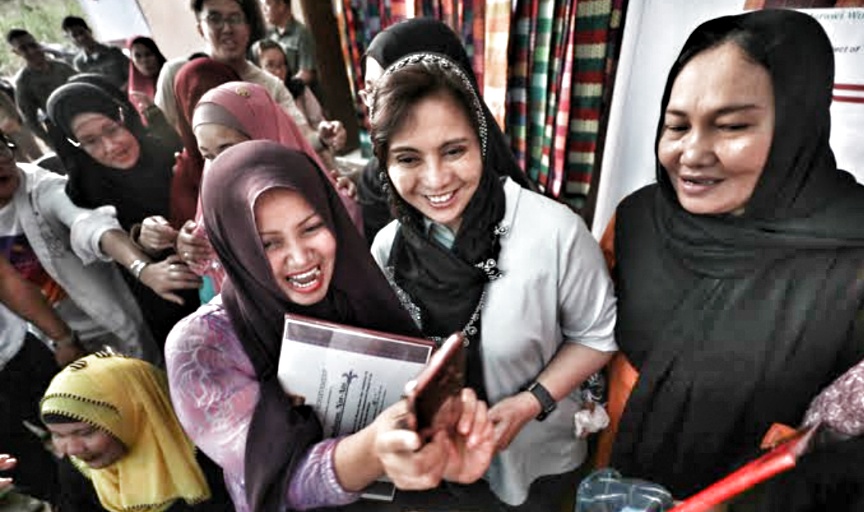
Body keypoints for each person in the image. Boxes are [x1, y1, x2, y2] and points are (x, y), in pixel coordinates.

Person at [604, 9, 864, 502]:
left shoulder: (852, 260)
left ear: (798, 125)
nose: (691, 153)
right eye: (676, 126)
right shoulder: (636, 223)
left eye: (730, 126)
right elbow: (588, 351)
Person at [166, 140, 495, 511]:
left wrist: (444, 434)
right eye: (267, 244)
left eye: (311, 228)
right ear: (234, 245)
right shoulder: (203, 347)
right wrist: (373, 449)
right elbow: (278, 477)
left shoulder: (360, 289)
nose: (300, 258)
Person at [368, 53, 617, 510]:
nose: (436, 179)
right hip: (438, 467)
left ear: (482, 142)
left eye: (454, 151)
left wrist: (529, 402)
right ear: (384, 163)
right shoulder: (389, 250)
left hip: (536, 457)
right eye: (408, 158)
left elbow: (597, 337)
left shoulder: (553, 232)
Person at [46, 79, 201, 347]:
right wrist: (143, 242)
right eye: (90, 141)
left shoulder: (170, 151)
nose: (110, 146)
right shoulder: (85, 191)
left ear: (123, 116)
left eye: (111, 129)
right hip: (171, 300)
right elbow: (104, 235)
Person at [357, 18, 533, 245]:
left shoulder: (542, 226)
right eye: (371, 91)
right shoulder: (375, 186)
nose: (436, 180)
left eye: (453, 152)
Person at [175, 80, 361, 295]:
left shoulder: (329, 201)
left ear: (265, 135)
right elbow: (212, 278)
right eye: (208, 156)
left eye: (228, 149)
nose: (220, 166)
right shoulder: (214, 212)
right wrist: (192, 249)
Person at [40, 352, 234, 511]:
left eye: (86, 433)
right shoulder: (77, 472)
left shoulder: (213, 453)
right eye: (58, 435)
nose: (72, 449)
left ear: (138, 413)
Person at [6, 29, 76, 148]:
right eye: (23, 48)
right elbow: (30, 120)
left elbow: (87, 89)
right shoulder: (24, 83)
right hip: (66, 132)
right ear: (16, 52)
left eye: (32, 45)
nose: (31, 51)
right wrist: (54, 144)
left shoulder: (62, 67)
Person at [62, 16, 130, 89]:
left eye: (82, 32)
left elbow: (132, 75)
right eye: (75, 36)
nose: (81, 38)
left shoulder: (113, 52)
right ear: (71, 40)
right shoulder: (79, 63)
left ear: (89, 31)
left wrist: (122, 91)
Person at [260, 0, 317, 86]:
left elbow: (307, 73)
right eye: (262, 5)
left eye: (267, 4)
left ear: (281, 5)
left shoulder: (301, 33)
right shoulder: (270, 35)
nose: (263, 9)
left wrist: (286, 88)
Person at [126, 36, 167, 116]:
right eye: (138, 56)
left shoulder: (171, 79)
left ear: (157, 55)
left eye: (148, 54)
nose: (144, 61)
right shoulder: (134, 92)